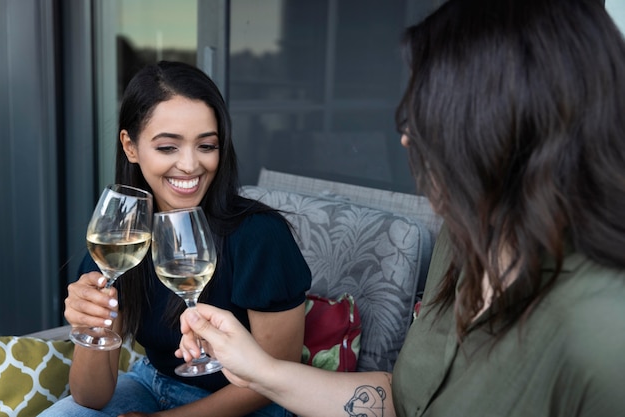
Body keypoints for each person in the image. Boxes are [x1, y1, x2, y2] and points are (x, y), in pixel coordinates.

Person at [176, 0, 625, 416]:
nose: (407, 137)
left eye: (427, 112)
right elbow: (402, 402)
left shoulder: (604, 337)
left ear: (503, 125)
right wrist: (262, 370)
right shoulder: (465, 238)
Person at [42, 61, 311, 417]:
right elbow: (91, 397)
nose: (189, 165)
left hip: (251, 402)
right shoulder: (117, 241)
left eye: (206, 145)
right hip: (153, 383)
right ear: (131, 146)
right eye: (168, 147)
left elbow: (275, 381)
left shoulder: (260, 237)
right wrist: (91, 326)